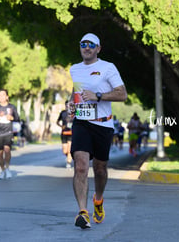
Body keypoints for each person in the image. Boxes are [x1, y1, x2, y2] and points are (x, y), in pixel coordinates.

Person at [68, 33, 127, 229]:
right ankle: (82, 213)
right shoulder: (75, 69)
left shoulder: (107, 68)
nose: (87, 47)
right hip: (81, 123)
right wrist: (70, 105)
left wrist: (98, 95)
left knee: (100, 169)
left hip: (103, 124)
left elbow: (122, 94)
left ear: (98, 48)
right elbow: (75, 93)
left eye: (91, 45)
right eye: (83, 44)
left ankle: (98, 199)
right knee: (81, 166)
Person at [0, 89, 20, 180]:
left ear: (7, 97)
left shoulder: (12, 107)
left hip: (8, 132)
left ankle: (8, 168)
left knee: (7, 149)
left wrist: (12, 117)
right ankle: (3, 170)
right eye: (0, 95)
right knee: (0, 153)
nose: (2, 97)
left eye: (4, 95)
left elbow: (18, 118)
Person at [57, 101, 73, 168]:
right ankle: (68, 156)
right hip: (64, 133)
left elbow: (79, 120)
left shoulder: (74, 112)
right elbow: (57, 122)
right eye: (66, 105)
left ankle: (68, 162)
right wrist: (61, 126)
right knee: (64, 150)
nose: (67, 106)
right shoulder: (63, 113)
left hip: (71, 133)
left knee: (69, 149)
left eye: (69, 105)